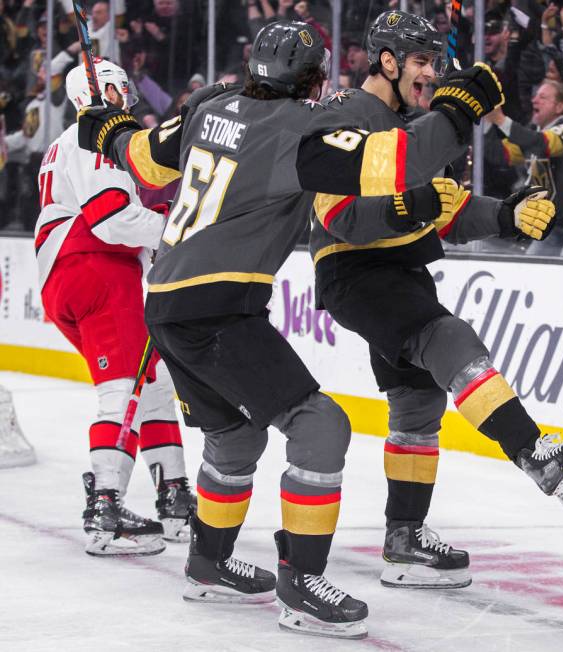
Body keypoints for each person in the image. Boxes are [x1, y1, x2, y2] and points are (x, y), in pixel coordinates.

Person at [76, 19, 505, 638]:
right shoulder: (299, 130)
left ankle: (208, 562)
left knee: (235, 438)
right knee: (320, 425)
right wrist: (462, 108)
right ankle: (302, 584)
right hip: (217, 308)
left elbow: (144, 159)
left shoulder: (207, 104)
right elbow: (398, 161)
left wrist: (105, 128)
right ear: (315, 79)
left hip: (166, 304)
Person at [308, 10, 563, 589]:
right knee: (448, 337)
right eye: (421, 62)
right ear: (387, 61)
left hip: (401, 268)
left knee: (417, 409)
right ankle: (536, 455)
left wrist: (508, 214)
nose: (430, 74)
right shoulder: (345, 113)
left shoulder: (415, 127)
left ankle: (404, 538)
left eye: (435, 63)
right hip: (355, 269)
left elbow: (444, 207)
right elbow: (337, 214)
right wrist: (412, 205)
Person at [34, 59, 195, 556]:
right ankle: (105, 509)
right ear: (101, 91)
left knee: (152, 383)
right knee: (123, 391)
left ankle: (172, 497)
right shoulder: (92, 136)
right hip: (96, 269)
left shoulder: (63, 144)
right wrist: (174, 229)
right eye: (121, 90)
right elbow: (110, 218)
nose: (129, 99)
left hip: (69, 274)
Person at [484, 81, 563, 257]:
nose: (534, 100)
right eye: (536, 96)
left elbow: (544, 144)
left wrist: (501, 120)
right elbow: (500, 154)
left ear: (560, 106)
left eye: (543, 97)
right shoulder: (533, 133)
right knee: (533, 269)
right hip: (550, 224)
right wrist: (486, 121)